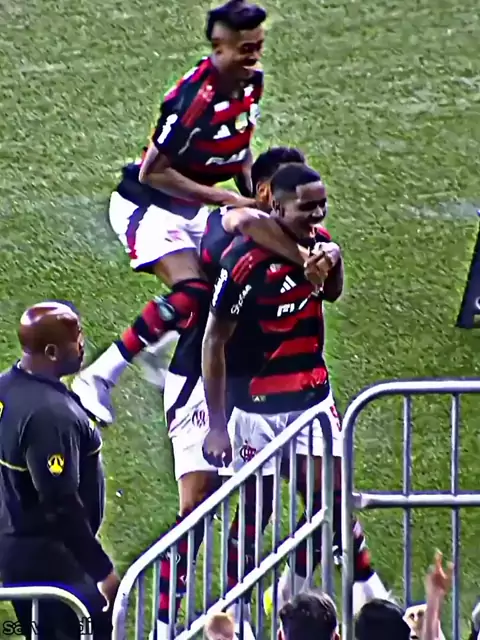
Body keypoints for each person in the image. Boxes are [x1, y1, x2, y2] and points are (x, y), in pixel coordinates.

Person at [154, 147, 329, 640]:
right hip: (199, 381)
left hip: (251, 387)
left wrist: (319, 255)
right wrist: (307, 258)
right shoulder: (231, 225)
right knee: (197, 505)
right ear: (268, 195)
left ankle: (240, 611)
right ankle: (164, 624)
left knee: (263, 507)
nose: (311, 214)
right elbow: (247, 223)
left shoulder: (302, 238)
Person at [202, 163, 389, 617]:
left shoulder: (319, 244)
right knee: (255, 515)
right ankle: (236, 611)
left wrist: (334, 259)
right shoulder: (244, 261)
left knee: (331, 504)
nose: (317, 214)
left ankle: (292, 591)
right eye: (307, 207)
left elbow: (331, 294)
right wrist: (217, 425)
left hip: (312, 401)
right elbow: (214, 341)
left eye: (322, 205)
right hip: (257, 409)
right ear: (278, 205)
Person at [72, 0, 269, 424]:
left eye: (258, 46)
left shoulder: (252, 83)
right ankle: (97, 377)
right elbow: (153, 172)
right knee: (192, 292)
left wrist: (257, 196)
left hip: (189, 206)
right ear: (218, 47)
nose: (254, 57)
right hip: (146, 205)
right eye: (245, 49)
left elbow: (240, 147)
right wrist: (226, 200)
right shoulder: (193, 98)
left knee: (238, 277)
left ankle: (162, 344)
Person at [0, 301, 119, 640]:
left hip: (16, 552)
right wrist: (102, 571)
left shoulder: (6, 387)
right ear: (52, 351)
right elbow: (60, 504)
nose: (82, 343)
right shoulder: (50, 416)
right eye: (76, 337)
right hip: (54, 565)